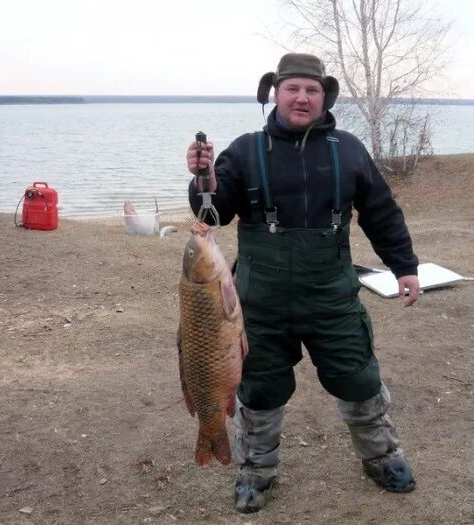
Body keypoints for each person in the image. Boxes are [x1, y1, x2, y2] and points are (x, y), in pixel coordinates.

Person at [186, 53, 421, 514]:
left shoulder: (348, 148)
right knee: (260, 388)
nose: (302, 97)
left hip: (331, 294)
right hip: (261, 301)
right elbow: (212, 215)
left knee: (359, 378)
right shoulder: (245, 150)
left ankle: (382, 457)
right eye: (292, 88)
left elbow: (381, 212)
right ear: (275, 93)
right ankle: (255, 471)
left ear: (323, 97)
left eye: (311, 90)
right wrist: (203, 180)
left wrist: (405, 265)